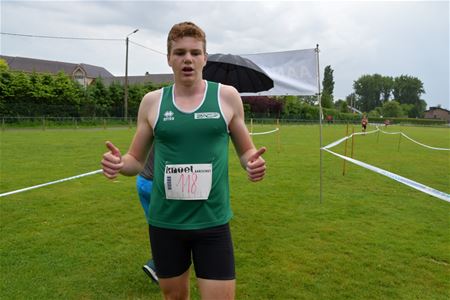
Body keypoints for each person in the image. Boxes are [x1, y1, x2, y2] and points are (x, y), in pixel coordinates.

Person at [101, 21, 266, 300]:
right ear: (169, 59)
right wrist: (120, 163)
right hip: (166, 224)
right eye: (179, 53)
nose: (187, 59)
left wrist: (252, 162)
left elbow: (246, 151)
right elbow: (136, 161)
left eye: (194, 52)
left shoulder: (226, 97)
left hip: (212, 222)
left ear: (204, 58)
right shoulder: (152, 102)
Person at [136, 147, 158, 283]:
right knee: (171, 228)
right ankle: (157, 266)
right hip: (157, 185)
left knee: (155, 225)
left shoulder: (149, 126)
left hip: (142, 181)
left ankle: (157, 263)